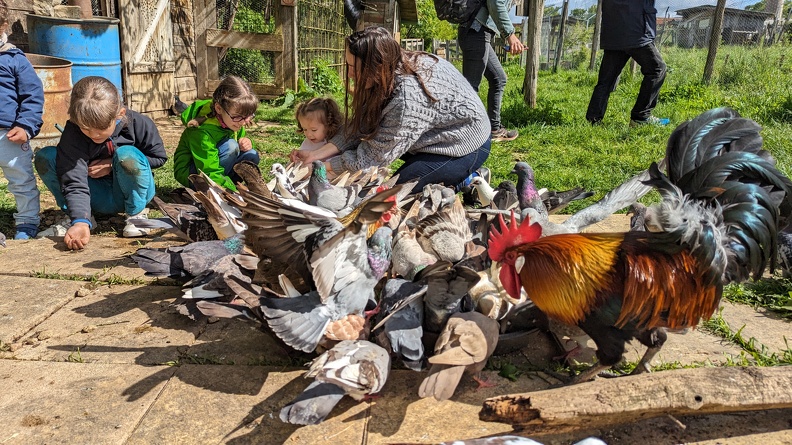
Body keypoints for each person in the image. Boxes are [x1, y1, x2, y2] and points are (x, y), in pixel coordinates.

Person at [290, 26, 491, 192]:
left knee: (391, 195)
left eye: (355, 68)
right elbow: (360, 128)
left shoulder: (406, 98)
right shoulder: (386, 72)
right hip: (430, 136)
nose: (350, 74)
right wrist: (314, 156)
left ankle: (468, 177)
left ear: (376, 66)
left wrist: (317, 169)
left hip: (464, 145)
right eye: (348, 65)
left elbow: (370, 158)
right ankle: (459, 177)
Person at [34, 76, 168, 249]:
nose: (93, 135)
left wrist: (112, 165)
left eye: (101, 130)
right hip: (95, 195)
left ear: (120, 114)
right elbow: (73, 178)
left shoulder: (139, 123)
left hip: (131, 192)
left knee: (126, 154)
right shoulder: (73, 132)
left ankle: (136, 215)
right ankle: (81, 218)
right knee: (48, 157)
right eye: (85, 129)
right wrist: (80, 221)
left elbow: (159, 158)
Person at [0, 0, 45, 240]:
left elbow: (33, 96)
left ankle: (27, 220)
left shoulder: (15, 60)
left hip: (9, 134)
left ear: (3, 26)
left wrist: (25, 126)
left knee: (21, 178)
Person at [585, 0, 668, 126]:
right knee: (657, 68)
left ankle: (593, 119)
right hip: (636, 29)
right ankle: (640, 117)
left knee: (606, 79)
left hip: (614, 31)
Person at [172, 75, 260, 192]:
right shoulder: (201, 131)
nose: (244, 122)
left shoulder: (232, 120)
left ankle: (224, 184)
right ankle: (217, 188)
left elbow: (241, 138)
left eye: (248, 116)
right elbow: (208, 170)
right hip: (195, 173)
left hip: (217, 167)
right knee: (231, 146)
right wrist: (233, 191)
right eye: (238, 117)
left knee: (251, 155)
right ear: (218, 108)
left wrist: (247, 143)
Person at [458, 0, 524, 142]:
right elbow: (495, 2)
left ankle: (494, 129)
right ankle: (464, 137)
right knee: (471, 88)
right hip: (475, 32)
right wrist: (510, 35)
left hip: (480, 33)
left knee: (499, 78)